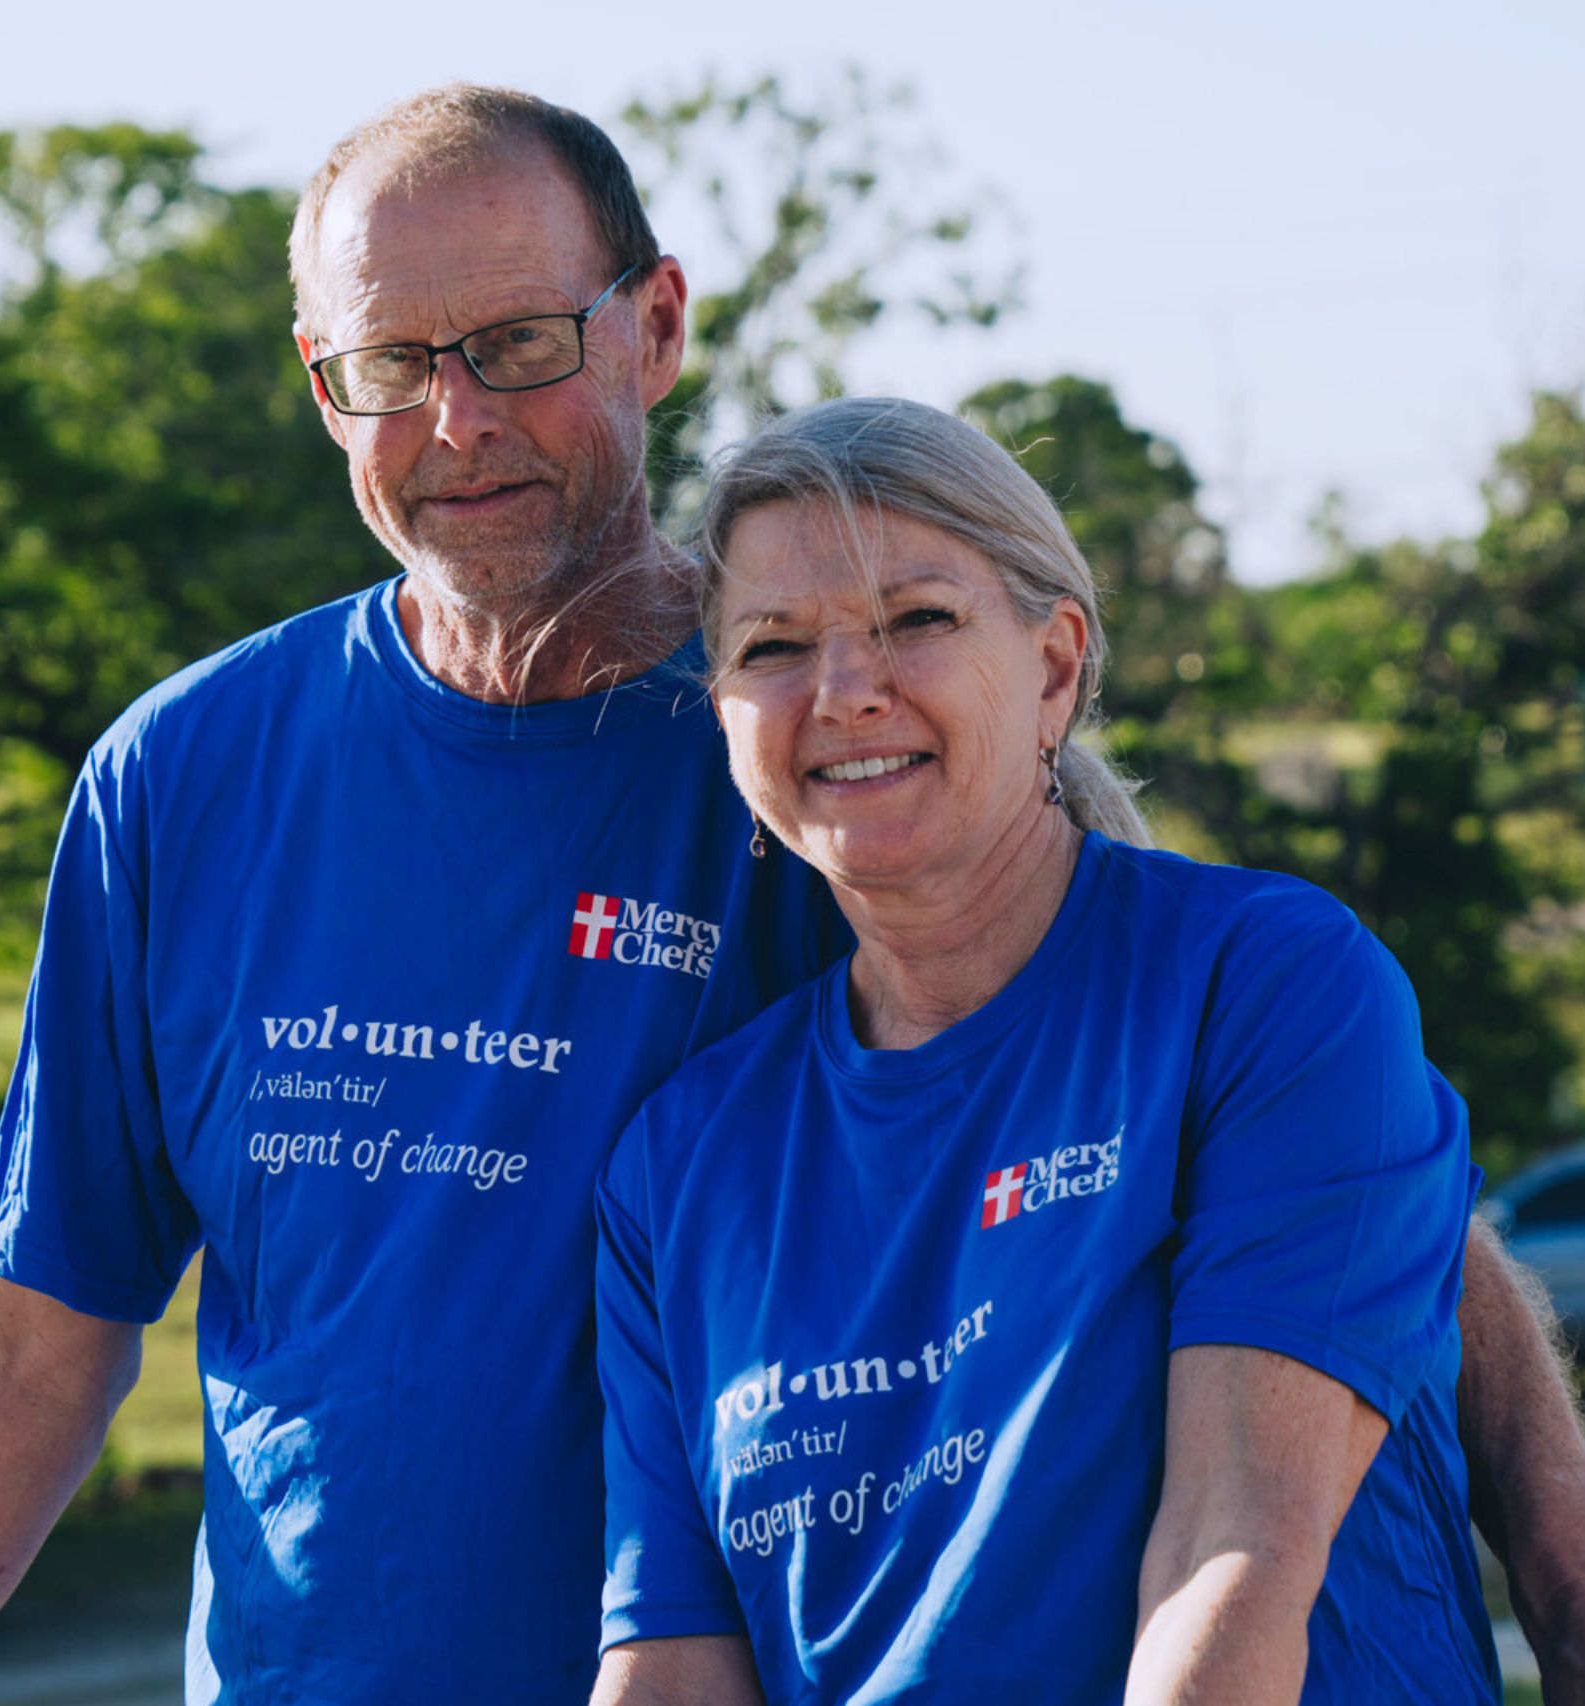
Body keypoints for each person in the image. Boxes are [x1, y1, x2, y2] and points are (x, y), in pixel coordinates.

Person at [0, 85, 1585, 1706]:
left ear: (652, 321)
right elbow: (38, 1327)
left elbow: (1305, 1174)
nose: (456, 421)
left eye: (523, 344)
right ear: (320, 390)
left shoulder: (837, 764)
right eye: (390, 366)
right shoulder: (180, 780)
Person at [594, 396, 1494, 1701]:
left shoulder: (1264, 985)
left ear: (1056, 666)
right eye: (775, 646)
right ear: (725, 715)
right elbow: (674, 1662)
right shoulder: (677, 1163)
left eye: (917, 621)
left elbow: (1231, 1558)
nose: (846, 690)